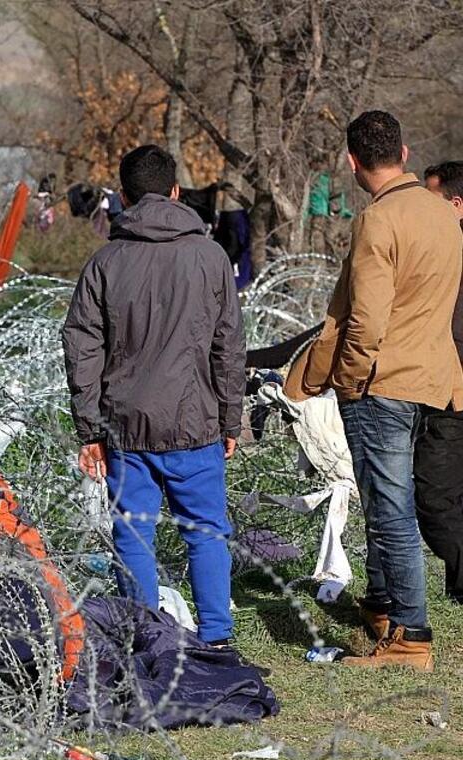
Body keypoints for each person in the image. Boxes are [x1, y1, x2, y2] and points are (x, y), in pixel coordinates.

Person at [285, 111, 463, 671]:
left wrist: (351, 376)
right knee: (392, 498)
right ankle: (384, 607)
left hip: (381, 380)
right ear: (405, 153)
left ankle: (410, 637)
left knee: (389, 509)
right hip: (432, 377)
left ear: (352, 161)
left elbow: (366, 317)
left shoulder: (378, 220)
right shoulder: (445, 216)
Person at [61, 144, 246, 646]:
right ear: (176, 192)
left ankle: (145, 639)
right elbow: (228, 345)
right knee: (206, 532)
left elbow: (82, 347)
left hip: (126, 429)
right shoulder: (211, 257)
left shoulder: (106, 262)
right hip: (196, 422)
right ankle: (216, 639)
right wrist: (233, 420)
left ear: (123, 197)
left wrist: (90, 429)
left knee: (133, 537)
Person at [414, 162, 463, 602]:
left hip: (451, 396)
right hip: (446, 391)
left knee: (433, 499)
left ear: (456, 205)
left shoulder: (450, 257)